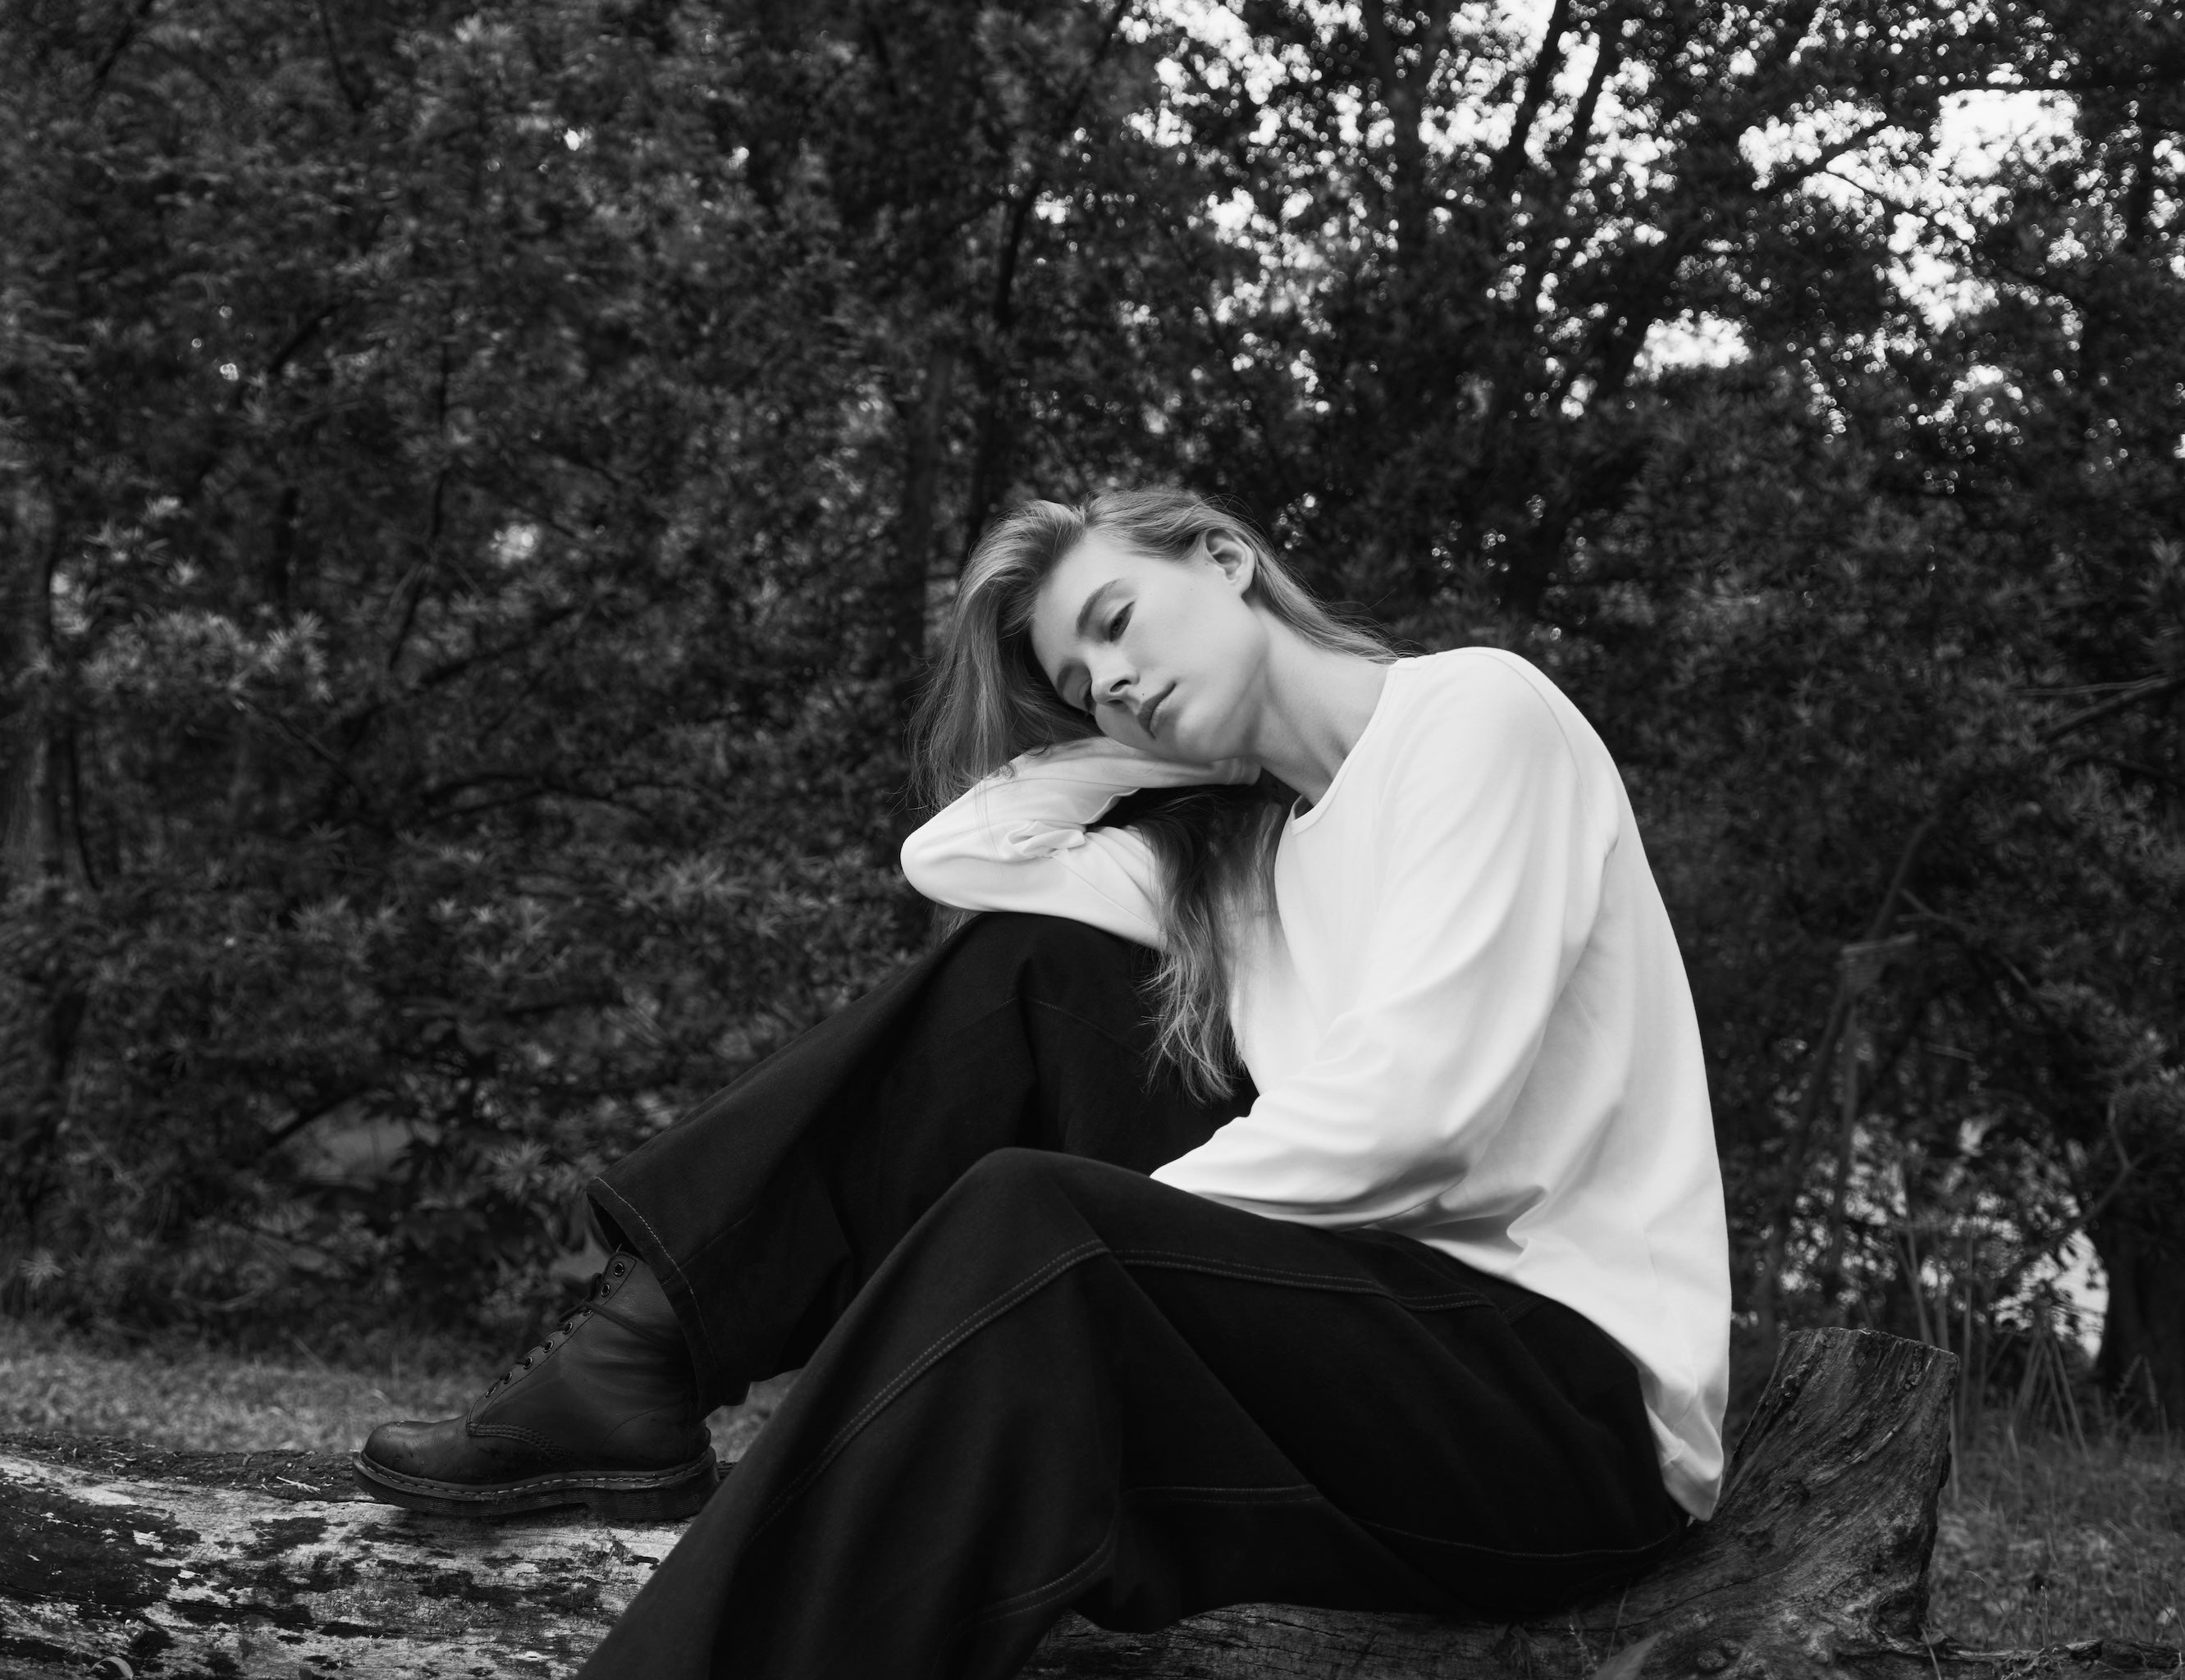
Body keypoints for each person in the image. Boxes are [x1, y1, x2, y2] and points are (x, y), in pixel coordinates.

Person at [354, 488, 1730, 1680]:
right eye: (1079, 683)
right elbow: (962, 859)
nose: (1109, 681)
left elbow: (1419, 1117)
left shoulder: (1476, 714)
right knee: (1028, 974)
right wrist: (1155, 742)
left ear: (1226, 559)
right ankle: (636, 1360)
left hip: (1559, 1414)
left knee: (1033, 1232)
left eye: (1120, 621)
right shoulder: (1246, 861)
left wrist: (1081, 1240)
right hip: (1362, 1346)